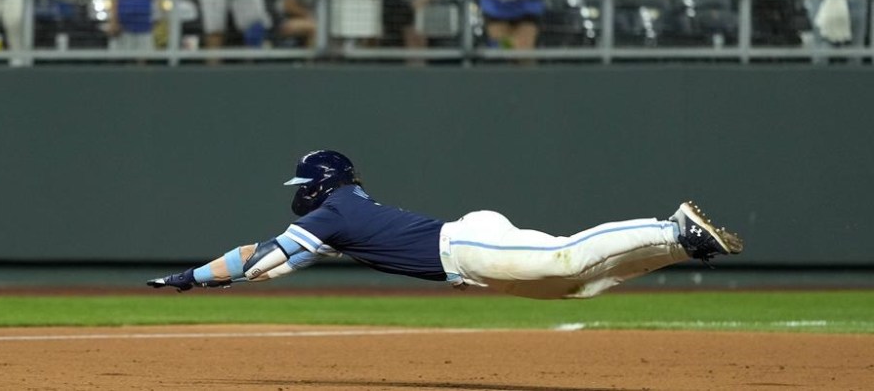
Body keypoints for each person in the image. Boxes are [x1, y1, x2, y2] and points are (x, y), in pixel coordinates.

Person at [148, 150, 744, 300]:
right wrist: (197, 277)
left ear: (320, 185)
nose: (299, 197)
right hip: (467, 266)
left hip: (464, 243)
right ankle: (681, 248)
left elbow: (262, 258)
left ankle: (671, 228)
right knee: (578, 283)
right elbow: (268, 259)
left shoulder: (335, 210)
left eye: (303, 186)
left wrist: (195, 278)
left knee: (562, 258)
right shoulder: (339, 215)